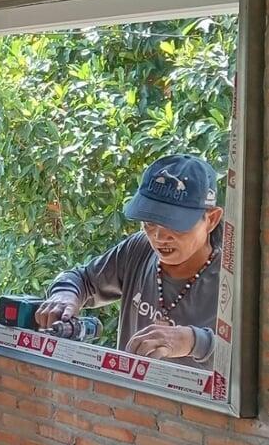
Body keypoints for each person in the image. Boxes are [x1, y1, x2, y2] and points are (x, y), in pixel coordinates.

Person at [35, 155, 223, 366]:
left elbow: (250, 361)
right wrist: (65, 294)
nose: (159, 237)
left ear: (211, 219)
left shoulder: (232, 278)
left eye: (175, 224)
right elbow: (83, 279)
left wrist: (195, 342)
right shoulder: (139, 249)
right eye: (150, 222)